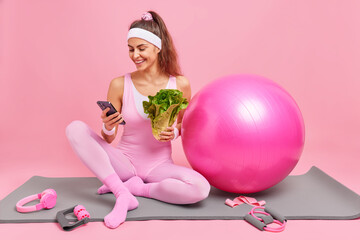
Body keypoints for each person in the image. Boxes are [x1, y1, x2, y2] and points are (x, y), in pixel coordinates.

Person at [65, 11, 210, 229]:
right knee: (75, 128)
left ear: (158, 47)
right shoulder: (119, 84)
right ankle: (121, 191)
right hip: (124, 161)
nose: (135, 55)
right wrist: (108, 125)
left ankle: (136, 190)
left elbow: (184, 124)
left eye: (141, 48)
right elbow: (107, 138)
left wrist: (176, 132)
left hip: (159, 165)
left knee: (200, 188)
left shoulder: (179, 84)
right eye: (131, 49)